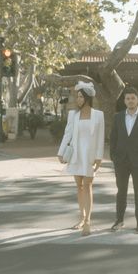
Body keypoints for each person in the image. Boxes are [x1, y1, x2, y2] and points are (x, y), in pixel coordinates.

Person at [57, 81, 104, 237]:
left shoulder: (98, 115)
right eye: (77, 97)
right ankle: (82, 217)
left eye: (80, 97)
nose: (78, 99)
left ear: (87, 98)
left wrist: (99, 157)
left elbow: (100, 137)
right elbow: (67, 134)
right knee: (79, 186)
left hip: (90, 156)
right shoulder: (73, 115)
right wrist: (61, 151)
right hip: (76, 155)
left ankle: (88, 221)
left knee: (88, 184)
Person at [110, 87, 138, 234]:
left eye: (133, 98)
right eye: (127, 98)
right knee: (121, 192)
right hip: (121, 160)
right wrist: (114, 156)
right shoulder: (117, 117)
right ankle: (119, 221)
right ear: (124, 101)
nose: (130, 100)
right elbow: (113, 139)